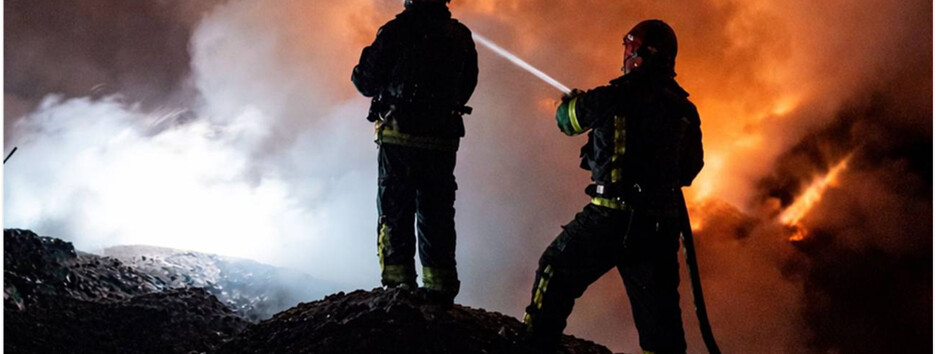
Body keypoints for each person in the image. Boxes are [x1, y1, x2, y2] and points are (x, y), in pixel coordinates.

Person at [521, 19, 703, 353]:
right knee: (661, 326)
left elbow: (566, 121)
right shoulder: (684, 109)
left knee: (555, 270)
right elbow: (690, 170)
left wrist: (572, 102)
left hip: (609, 219)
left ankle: (534, 346)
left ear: (635, 53)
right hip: (658, 228)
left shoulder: (614, 96)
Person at [351, 0, 478, 305]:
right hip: (441, 142)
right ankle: (441, 287)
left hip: (399, 138)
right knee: (437, 214)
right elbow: (467, 84)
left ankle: (399, 288)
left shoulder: (396, 31)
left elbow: (364, 81)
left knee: (395, 210)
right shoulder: (459, 35)